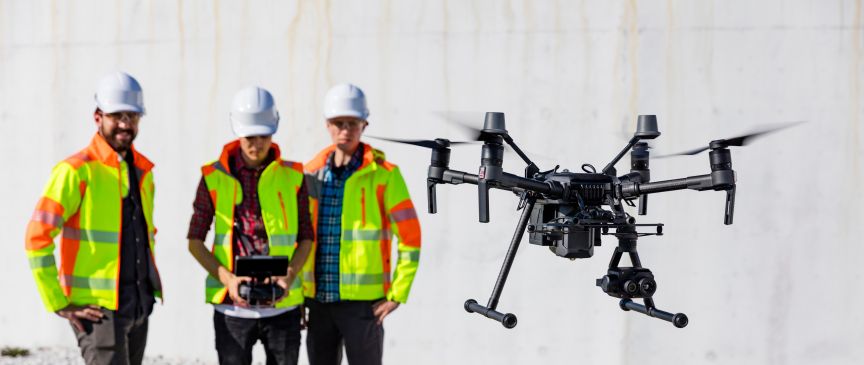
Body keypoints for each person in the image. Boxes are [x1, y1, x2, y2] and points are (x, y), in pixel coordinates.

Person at [25, 72, 162, 365]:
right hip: (99, 311)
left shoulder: (143, 172)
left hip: (138, 304)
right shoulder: (75, 171)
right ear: (98, 117)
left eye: (133, 116)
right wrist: (59, 302)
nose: (126, 124)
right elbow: (36, 237)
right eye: (117, 116)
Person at [187, 86, 313, 365]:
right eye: (250, 137)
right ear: (238, 133)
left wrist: (289, 276)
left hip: (283, 306)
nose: (257, 144)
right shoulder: (212, 177)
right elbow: (194, 241)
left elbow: (306, 237)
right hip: (232, 309)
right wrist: (228, 280)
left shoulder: (293, 176)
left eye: (264, 135)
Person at [303, 84, 422, 365]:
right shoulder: (309, 174)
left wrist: (397, 293)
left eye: (352, 123)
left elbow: (410, 237)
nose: (345, 129)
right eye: (338, 123)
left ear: (364, 125)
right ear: (327, 125)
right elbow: (299, 237)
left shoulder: (385, 176)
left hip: (364, 305)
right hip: (317, 301)